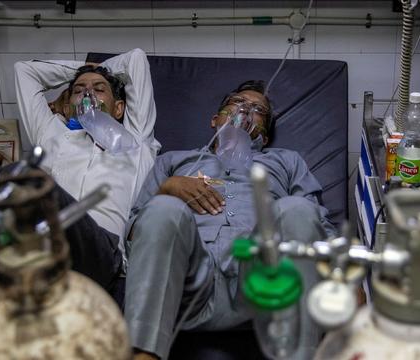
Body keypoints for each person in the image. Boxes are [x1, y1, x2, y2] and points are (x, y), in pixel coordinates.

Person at [0, 48, 158, 356]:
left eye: (99, 90)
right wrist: (86, 77)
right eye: (78, 91)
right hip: (35, 242)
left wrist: (92, 69)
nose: (88, 94)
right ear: (67, 104)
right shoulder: (53, 134)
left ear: (119, 108)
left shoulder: (137, 141)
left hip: (99, 252)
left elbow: (136, 59)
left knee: (32, 181)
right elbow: (24, 71)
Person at [124, 80, 336, 360]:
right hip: (187, 279)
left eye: (258, 109)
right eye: (236, 102)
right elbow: (135, 232)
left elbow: (316, 224)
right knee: (163, 207)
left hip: (262, 278)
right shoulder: (173, 162)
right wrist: (168, 189)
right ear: (215, 120)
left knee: (297, 208)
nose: (245, 110)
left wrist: (345, 279)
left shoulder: (286, 161)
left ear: (266, 135)